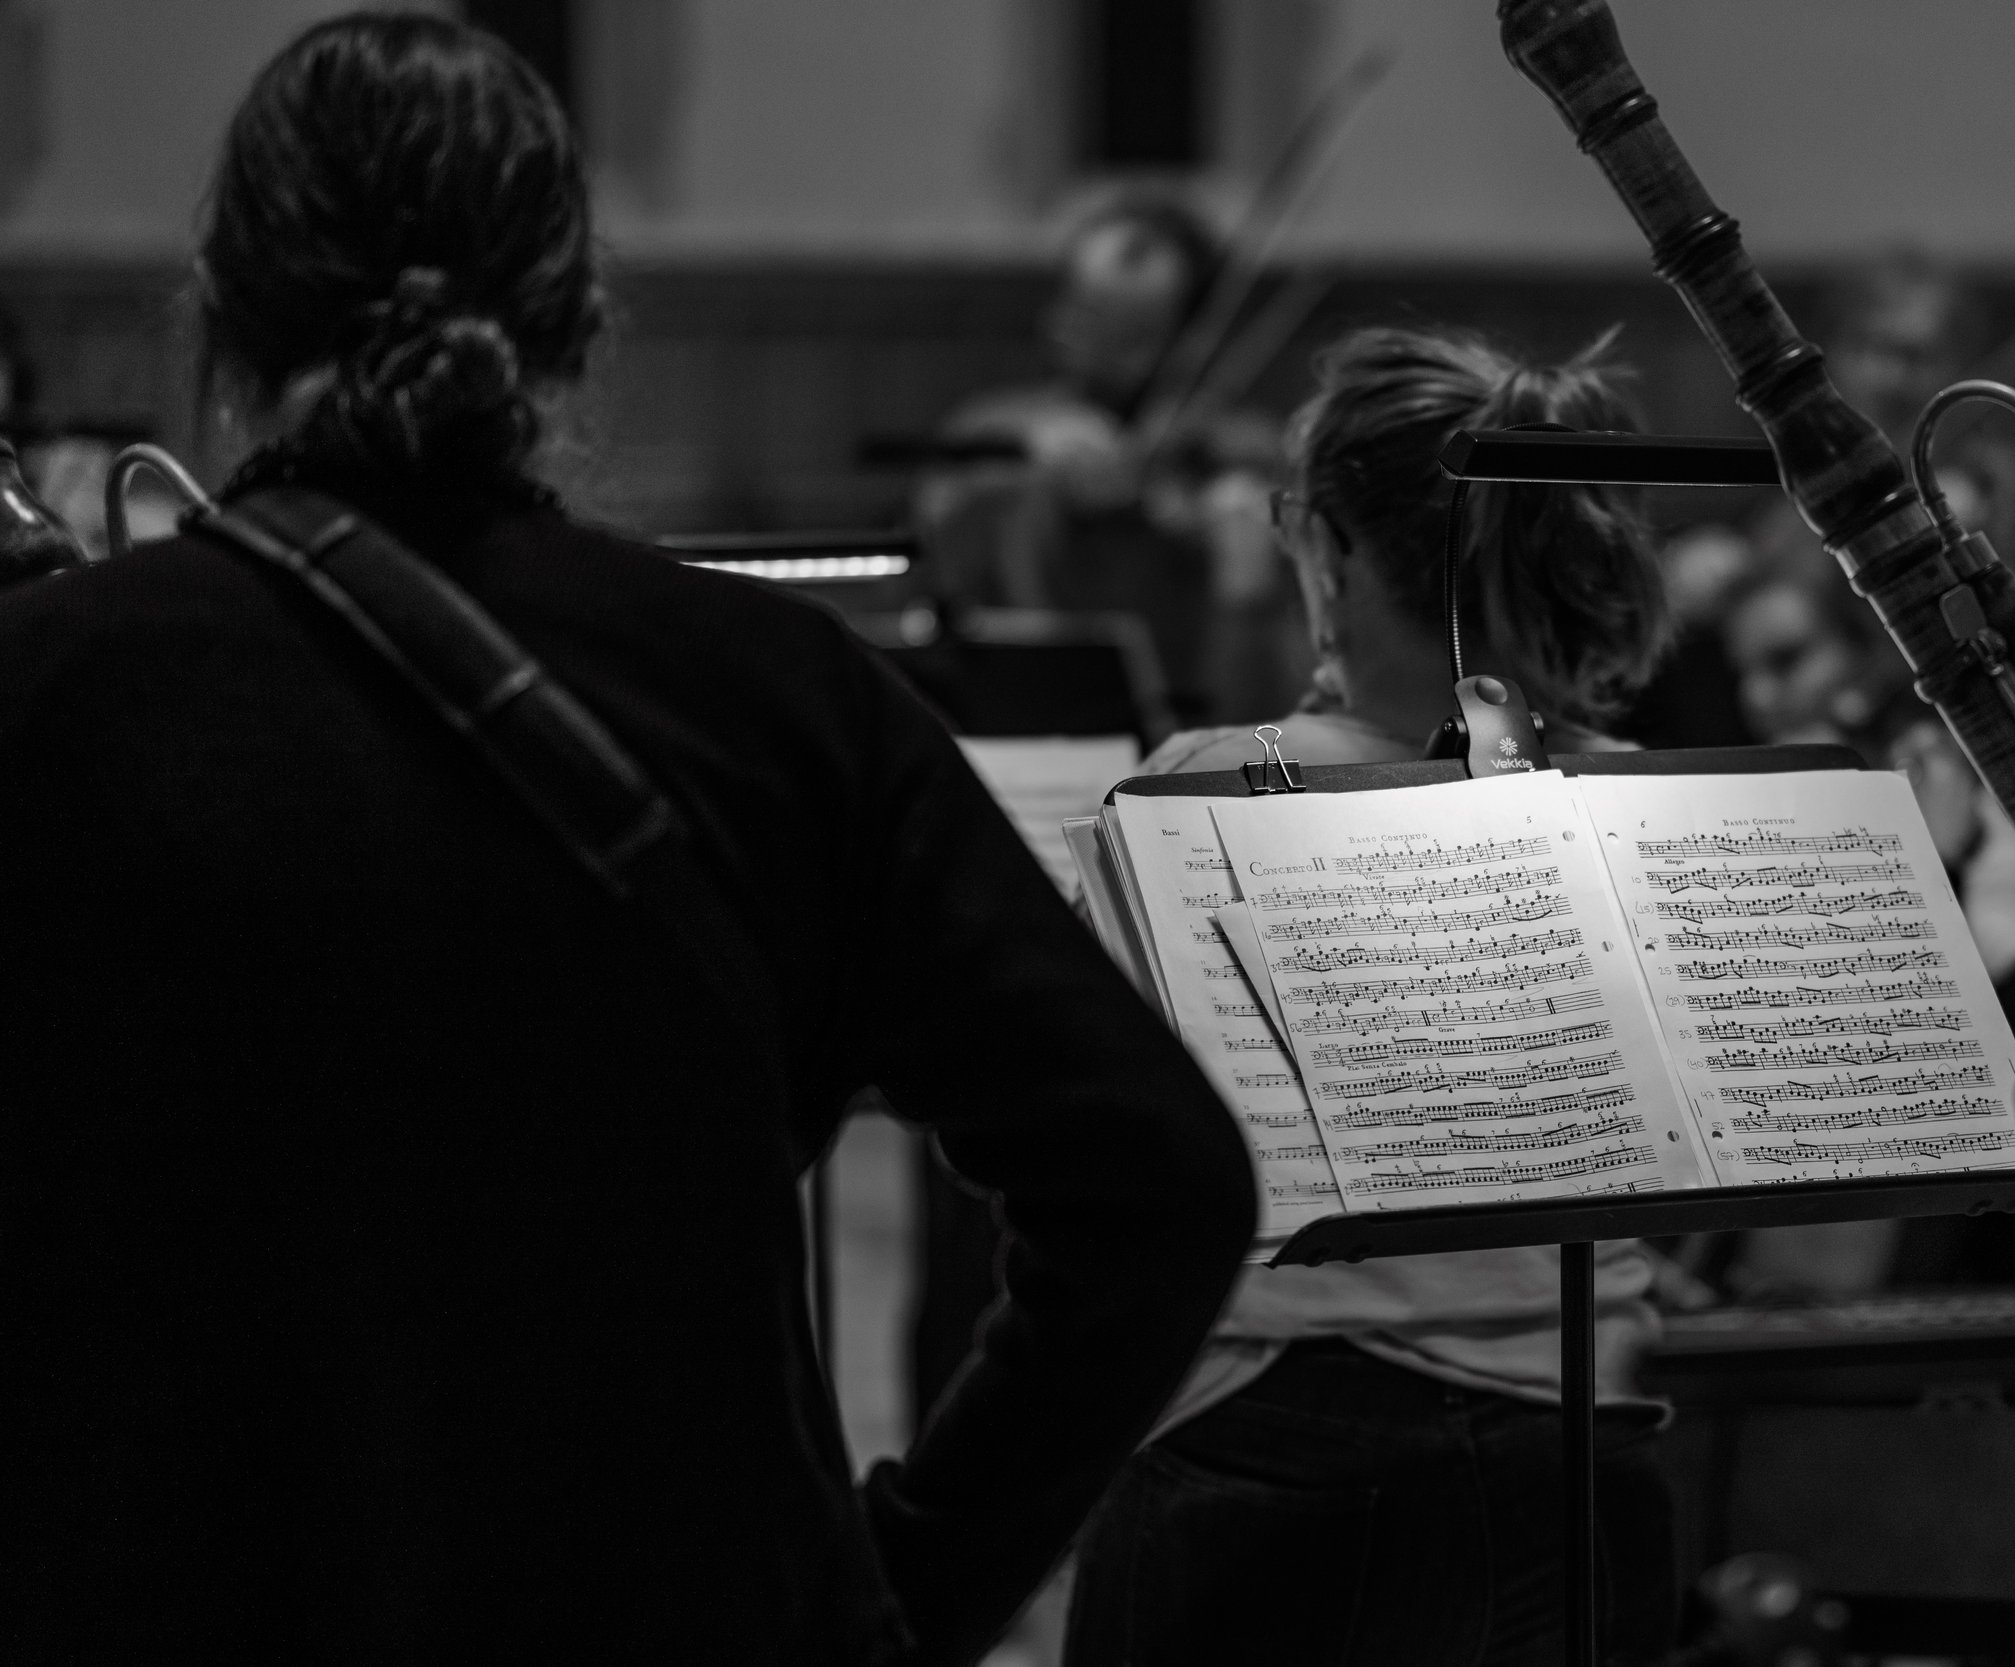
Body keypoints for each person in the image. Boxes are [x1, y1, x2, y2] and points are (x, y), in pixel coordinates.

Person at [0, 16, 1254, 1663]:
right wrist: (906, 1580)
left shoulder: (49, 689)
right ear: (574, 323)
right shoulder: (781, 694)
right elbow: (1156, 1174)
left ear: (221, 318)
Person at [1064, 327, 1683, 1667]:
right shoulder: (1655, 807)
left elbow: (1090, 1135)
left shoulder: (1211, 785)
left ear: (1330, 552)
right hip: (1584, 1441)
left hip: (1273, 1445)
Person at [915, 196, 1293, 729]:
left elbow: (1272, 686)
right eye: (1084, 313)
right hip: (1020, 724)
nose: (1086, 341)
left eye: (1134, 333)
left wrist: (1241, 581)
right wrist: (1031, 482)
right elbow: (935, 554)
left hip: (1186, 732)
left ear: (1189, 336)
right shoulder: (995, 431)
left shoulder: (1241, 451)